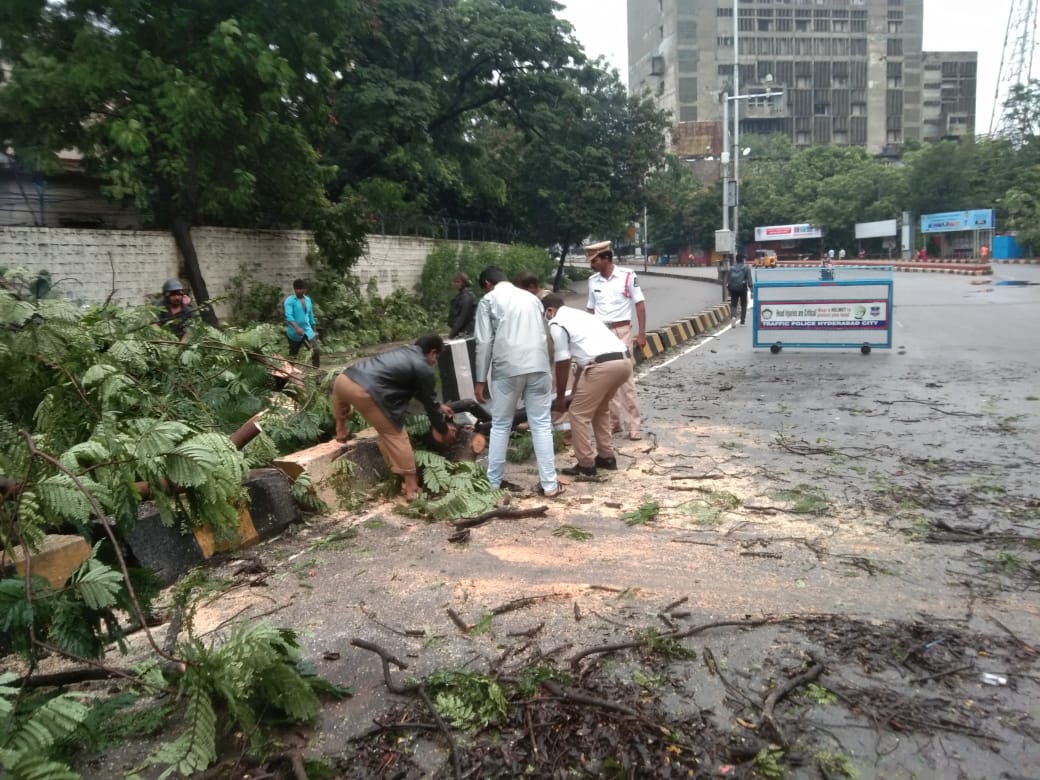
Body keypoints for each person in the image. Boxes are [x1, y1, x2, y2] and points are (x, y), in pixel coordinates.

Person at [332, 334, 457, 500]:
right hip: (365, 391)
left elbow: (420, 392)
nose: (436, 362)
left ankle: (340, 429)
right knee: (396, 435)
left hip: (344, 380)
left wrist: (439, 406)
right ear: (433, 352)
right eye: (437, 357)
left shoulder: (404, 352)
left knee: (343, 402)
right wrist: (443, 430)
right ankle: (412, 487)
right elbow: (429, 407)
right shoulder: (424, 367)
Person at [473, 266, 562, 497]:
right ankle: (550, 485)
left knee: (501, 424)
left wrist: (480, 379)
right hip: (539, 365)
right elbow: (544, 334)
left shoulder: (488, 300)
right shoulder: (532, 299)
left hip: (508, 368)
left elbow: (483, 343)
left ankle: (493, 483)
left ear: (487, 284)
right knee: (541, 423)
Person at [542, 293, 632, 477]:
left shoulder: (557, 323)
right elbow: (584, 362)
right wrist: (573, 392)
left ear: (550, 311)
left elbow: (562, 361)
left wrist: (560, 399)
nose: (545, 319)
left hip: (602, 367)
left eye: (544, 315)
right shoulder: (584, 317)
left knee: (577, 414)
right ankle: (606, 457)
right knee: (600, 409)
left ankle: (585, 464)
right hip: (624, 363)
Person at [585, 241, 646, 441]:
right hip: (601, 332)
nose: (591, 264)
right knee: (606, 379)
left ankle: (633, 425)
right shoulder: (593, 281)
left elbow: (639, 305)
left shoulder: (628, 276)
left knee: (625, 379)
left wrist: (642, 333)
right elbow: (590, 310)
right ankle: (614, 421)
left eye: (594, 260)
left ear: (606, 259)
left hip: (622, 331)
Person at [284, 279, 320, 368]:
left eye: (301, 289)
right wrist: (297, 328)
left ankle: (316, 373)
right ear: (294, 289)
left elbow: (311, 316)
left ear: (305, 289)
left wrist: (314, 331)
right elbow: (289, 316)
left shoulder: (308, 300)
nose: (299, 291)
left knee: (316, 350)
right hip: (294, 332)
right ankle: (290, 375)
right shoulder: (290, 301)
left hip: (307, 330)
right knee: (293, 355)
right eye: (297, 289)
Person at [447, 272, 477, 339]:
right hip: (462, 331)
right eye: (455, 282)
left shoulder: (466, 296)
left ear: (464, 282)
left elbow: (462, 317)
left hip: (466, 332)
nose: (455, 284)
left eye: (458, 282)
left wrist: (452, 333)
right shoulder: (461, 295)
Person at [726, 255, 753, 325]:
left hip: (733, 288)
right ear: (742, 260)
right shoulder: (746, 268)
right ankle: (742, 321)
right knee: (744, 304)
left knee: (734, 304)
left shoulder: (731, 268)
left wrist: (729, 289)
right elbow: (749, 280)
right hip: (743, 288)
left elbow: (728, 280)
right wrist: (752, 290)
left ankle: (733, 317)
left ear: (736, 260)